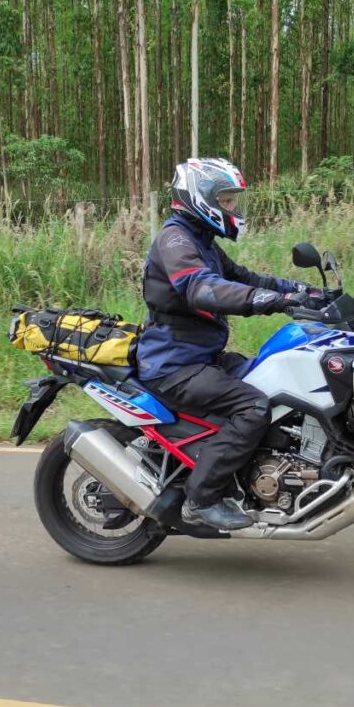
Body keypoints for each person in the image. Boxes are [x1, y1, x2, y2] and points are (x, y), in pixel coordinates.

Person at [136, 158, 321, 531]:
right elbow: (200, 287)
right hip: (174, 365)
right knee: (252, 406)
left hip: (200, 357)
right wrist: (270, 302)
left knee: (275, 383)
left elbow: (244, 277)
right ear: (200, 198)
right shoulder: (175, 240)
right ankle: (201, 499)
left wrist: (302, 292)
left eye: (233, 201)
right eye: (227, 200)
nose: (232, 208)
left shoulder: (201, 240)